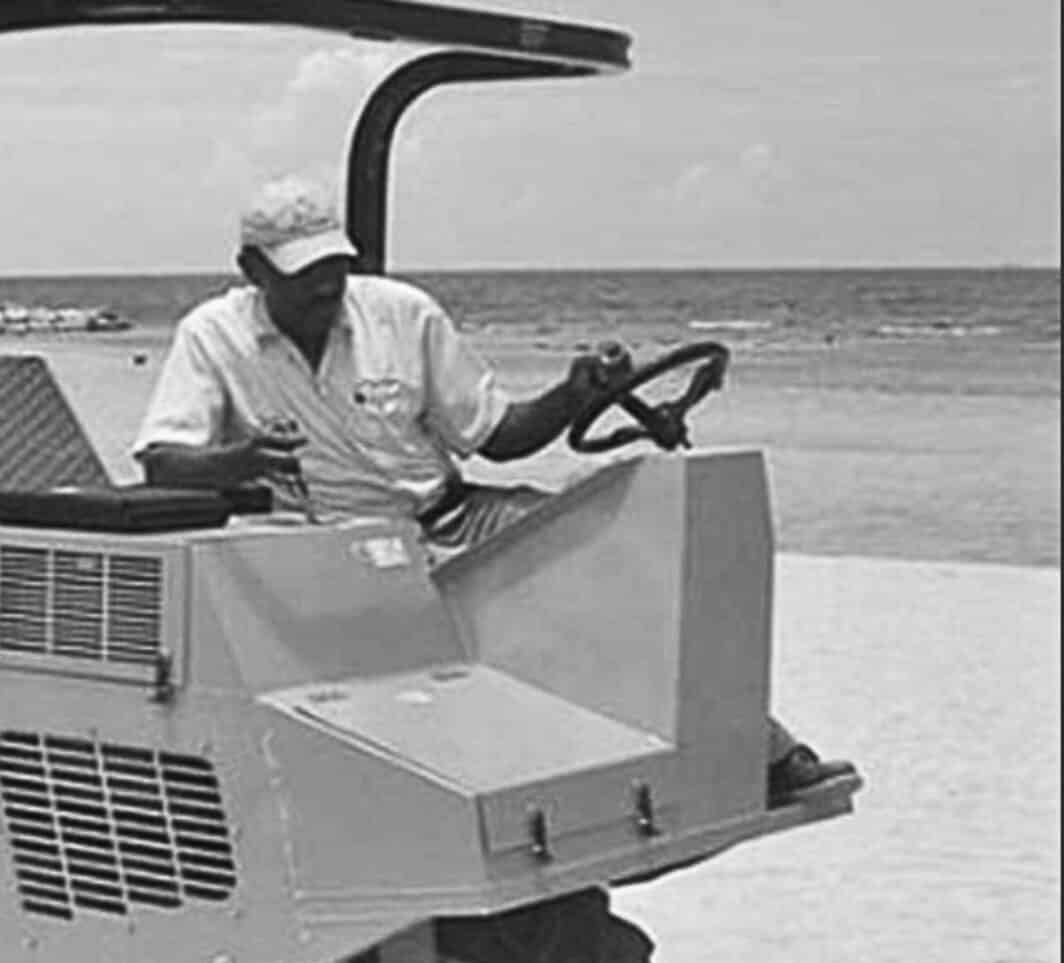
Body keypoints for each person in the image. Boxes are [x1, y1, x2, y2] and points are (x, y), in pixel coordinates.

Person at [129, 175, 853, 807]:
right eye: (301, 271)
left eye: (333, 265)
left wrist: (573, 396)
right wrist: (239, 461)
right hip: (321, 554)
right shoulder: (211, 336)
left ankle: (753, 749)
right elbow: (165, 462)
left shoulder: (402, 315)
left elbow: (499, 435)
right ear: (252, 268)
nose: (324, 285)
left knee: (614, 556)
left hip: (446, 516)